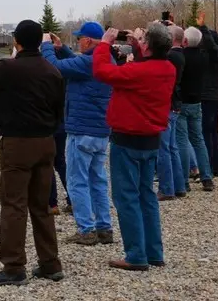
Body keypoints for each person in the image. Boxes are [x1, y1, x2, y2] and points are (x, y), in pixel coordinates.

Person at [0, 21, 66, 285]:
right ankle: (50, 263)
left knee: (14, 204)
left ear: (17, 41)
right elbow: (60, 112)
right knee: (42, 205)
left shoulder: (8, 68)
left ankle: (13, 267)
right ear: (40, 42)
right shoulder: (53, 71)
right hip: (46, 143)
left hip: (17, 144)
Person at [92, 23, 177, 271]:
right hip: (151, 140)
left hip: (127, 139)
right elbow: (149, 65)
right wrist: (139, 46)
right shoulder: (168, 68)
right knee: (146, 196)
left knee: (126, 197)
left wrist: (105, 44)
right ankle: (154, 252)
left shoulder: (137, 72)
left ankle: (136, 255)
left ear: (148, 45)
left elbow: (102, 72)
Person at [40, 23, 114, 245]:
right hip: (101, 131)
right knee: (98, 180)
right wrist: (61, 48)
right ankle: (104, 227)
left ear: (88, 41)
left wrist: (46, 46)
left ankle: (86, 229)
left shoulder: (87, 62)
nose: (79, 41)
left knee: (77, 181)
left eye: (80, 38)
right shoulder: (105, 60)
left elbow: (54, 67)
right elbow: (73, 62)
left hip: (81, 131)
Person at [176, 26, 215, 190]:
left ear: (185, 41)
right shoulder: (203, 57)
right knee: (198, 140)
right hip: (197, 101)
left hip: (182, 101)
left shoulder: (181, 57)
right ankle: (207, 177)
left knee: (182, 142)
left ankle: (184, 179)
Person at [195, 13, 218, 178]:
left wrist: (203, 28)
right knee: (212, 131)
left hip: (208, 97)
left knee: (206, 132)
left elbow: (213, 46)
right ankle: (217, 166)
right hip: (214, 96)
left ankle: (208, 165)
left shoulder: (215, 56)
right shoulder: (217, 56)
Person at [156, 25, 187, 199]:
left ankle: (167, 188)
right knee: (172, 147)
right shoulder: (179, 55)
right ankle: (179, 185)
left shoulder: (171, 57)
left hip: (167, 105)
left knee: (164, 149)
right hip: (175, 104)